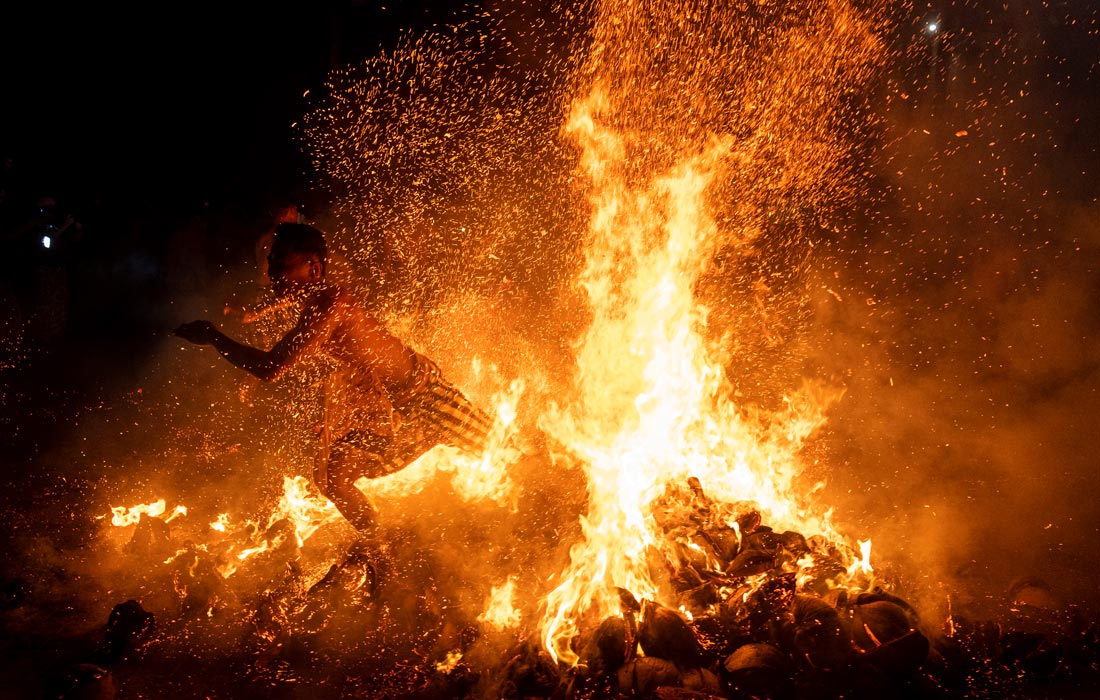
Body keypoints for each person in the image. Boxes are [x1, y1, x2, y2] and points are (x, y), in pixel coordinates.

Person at [175, 223, 493, 534]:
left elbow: (271, 367)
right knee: (331, 479)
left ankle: (535, 484)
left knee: (500, 450)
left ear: (313, 267)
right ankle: (379, 548)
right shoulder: (315, 300)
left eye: (281, 262)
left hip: (424, 393)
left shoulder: (331, 303)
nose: (271, 272)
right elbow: (289, 298)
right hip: (397, 410)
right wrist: (257, 312)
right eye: (271, 263)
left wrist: (214, 338)